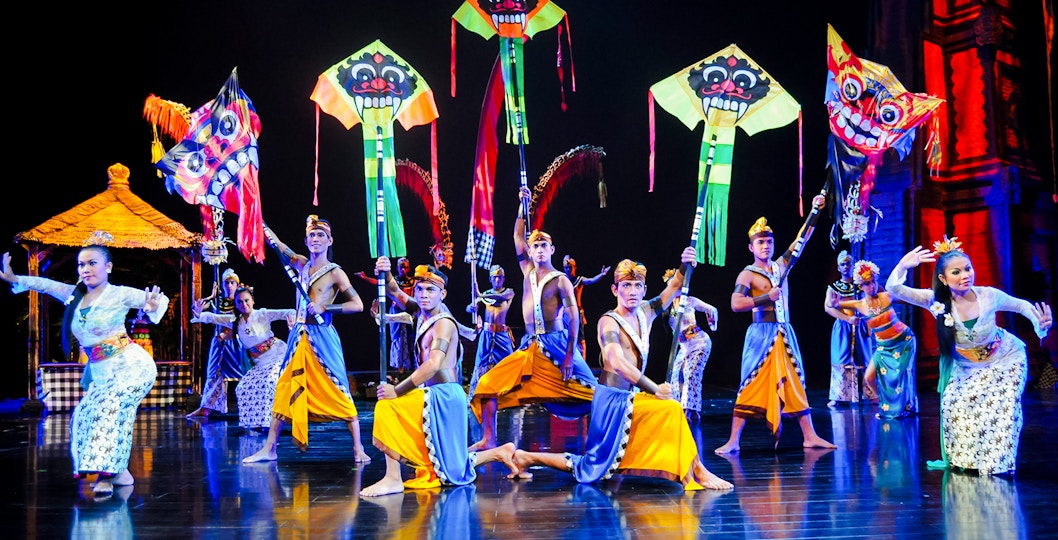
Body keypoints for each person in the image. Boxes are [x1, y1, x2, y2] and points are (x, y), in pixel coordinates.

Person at [511, 253, 733, 491]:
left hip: (631, 398)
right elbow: (616, 361)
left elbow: (676, 286)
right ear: (615, 290)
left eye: (637, 286)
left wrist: (685, 263)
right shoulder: (608, 322)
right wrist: (655, 388)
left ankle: (696, 470)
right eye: (626, 286)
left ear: (644, 288)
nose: (633, 291)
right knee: (591, 466)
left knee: (669, 412)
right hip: (612, 403)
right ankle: (527, 456)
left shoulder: (646, 311)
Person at [2, 234, 169, 497]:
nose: (85, 269)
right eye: (81, 265)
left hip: (131, 365)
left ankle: (106, 475)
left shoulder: (120, 294)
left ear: (108, 267)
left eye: (92, 263)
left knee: (108, 407)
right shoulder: (73, 296)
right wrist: (15, 279)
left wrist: (151, 307)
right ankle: (122, 472)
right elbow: (45, 284)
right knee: (83, 416)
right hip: (102, 372)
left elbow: (158, 302)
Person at [886, 237, 1052, 475]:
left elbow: (1021, 306)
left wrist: (1041, 324)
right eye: (957, 272)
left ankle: (996, 464)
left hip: (1005, 359)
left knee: (1001, 410)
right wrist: (902, 266)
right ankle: (971, 461)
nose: (965, 275)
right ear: (943, 278)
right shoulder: (934, 300)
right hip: (966, 367)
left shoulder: (988, 295)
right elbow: (893, 289)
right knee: (956, 408)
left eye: (968, 269)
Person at [361, 259, 519, 496]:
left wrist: (398, 390)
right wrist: (386, 271)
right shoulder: (420, 312)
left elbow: (434, 364)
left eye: (431, 290)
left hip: (444, 395)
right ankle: (500, 452)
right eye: (420, 290)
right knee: (450, 463)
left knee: (387, 406)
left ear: (442, 294)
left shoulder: (443, 323)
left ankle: (392, 478)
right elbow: (394, 291)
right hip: (431, 393)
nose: (424, 295)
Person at [468, 187, 596, 451]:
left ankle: (605, 439)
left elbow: (573, 319)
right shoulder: (527, 272)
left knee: (596, 394)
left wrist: (571, 355)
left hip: (558, 344)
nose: (538, 250)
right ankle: (488, 438)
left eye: (543, 246)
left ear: (551, 250)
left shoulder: (561, 280)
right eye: (534, 246)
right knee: (487, 384)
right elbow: (516, 235)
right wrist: (521, 204)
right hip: (530, 346)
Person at [243, 215, 371, 464]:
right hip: (298, 337)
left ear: (329, 240)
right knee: (284, 389)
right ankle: (270, 448)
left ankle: (358, 448)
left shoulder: (336, 273)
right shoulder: (300, 264)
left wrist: (327, 309)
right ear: (306, 240)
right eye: (312, 235)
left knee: (338, 387)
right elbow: (277, 244)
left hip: (322, 337)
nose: (315, 238)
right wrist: (260, 221)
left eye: (321, 235)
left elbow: (358, 305)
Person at [714, 195, 837, 454]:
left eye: (769, 242)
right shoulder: (747, 273)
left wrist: (815, 210)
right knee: (750, 383)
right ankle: (733, 440)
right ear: (751, 247)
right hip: (760, 334)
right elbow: (736, 303)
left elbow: (801, 242)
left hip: (784, 333)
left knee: (795, 381)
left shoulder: (781, 267)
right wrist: (763, 298)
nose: (766, 246)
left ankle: (810, 435)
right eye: (760, 242)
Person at [191, 286, 296, 431]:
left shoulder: (262, 314)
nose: (244, 304)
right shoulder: (235, 321)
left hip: (277, 355)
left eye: (247, 301)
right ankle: (255, 422)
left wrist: (294, 320)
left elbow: (287, 312)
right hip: (260, 363)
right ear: (236, 304)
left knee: (268, 383)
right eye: (240, 302)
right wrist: (199, 314)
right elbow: (213, 318)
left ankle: (270, 423)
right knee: (243, 387)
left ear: (253, 301)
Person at [831, 260, 918, 419]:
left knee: (903, 373)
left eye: (873, 281)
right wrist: (834, 301)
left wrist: (928, 297)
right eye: (867, 283)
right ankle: (886, 404)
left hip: (903, 341)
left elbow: (912, 299)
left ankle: (906, 406)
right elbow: (835, 305)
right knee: (869, 377)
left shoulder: (887, 296)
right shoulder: (859, 304)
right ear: (861, 286)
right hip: (883, 347)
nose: (871, 286)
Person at [186, 268, 246, 419]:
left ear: (237, 285)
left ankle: (252, 407)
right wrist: (210, 296)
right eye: (226, 283)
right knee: (213, 374)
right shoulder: (216, 301)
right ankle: (206, 408)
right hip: (219, 344)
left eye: (233, 283)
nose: (229, 286)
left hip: (238, 343)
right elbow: (197, 310)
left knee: (247, 375)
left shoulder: (242, 301)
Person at [662, 267, 719, 425]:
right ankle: (685, 410)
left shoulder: (689, 301)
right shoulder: (668, 308)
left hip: (699, 343)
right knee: (676, 377)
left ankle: (688, 411)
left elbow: (711, 309)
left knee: (691, 374)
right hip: (684, 347)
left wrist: (712, 323)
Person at [823, 250, 873, 408]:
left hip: (860, 326)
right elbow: (828, 308)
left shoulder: (861, 285)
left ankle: (870, 394)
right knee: (841, 359)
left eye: (849, 263)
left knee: (865, 359)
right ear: (838, 268)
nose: (846, 267)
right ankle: (839, 396)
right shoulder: (834, 287)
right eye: (843, 264)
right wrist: (847, 318)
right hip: (843, 326)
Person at [355, 256, 416, 374]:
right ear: (397, 268)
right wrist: (365, 277)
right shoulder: (393, 281)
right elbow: (380, 283)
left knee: (411, 338)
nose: (403, 270)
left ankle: (412, 366)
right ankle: (399, 368)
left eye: (406, 267)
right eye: (401, 267)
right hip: (396, 311)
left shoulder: (414, 281)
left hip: (411, 311)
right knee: (397, 338)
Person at [465, 264, 517, 400]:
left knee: (508, 364)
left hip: (502, 335)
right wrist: (472, 307)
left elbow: (501, 298)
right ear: (490, 279)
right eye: (494, 277)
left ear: (504, 278)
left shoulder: (508, 292)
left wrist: (479, 294)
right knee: (481, 363)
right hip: (487, 334)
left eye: (499, 277)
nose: (497, 280)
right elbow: (469, 307)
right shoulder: (486, 295)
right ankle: (477, 394)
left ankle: (510, 395)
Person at [562, 255, 611, 357]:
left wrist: (602, 274)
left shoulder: (579, 280)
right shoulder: (562, 280)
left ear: (575, 267)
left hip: (577, 313)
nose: (568, 270)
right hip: (564, 313)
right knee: (564, 335)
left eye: (570, 267)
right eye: (566, 267)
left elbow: (591, 280)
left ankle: (582, 359)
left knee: (580, 337)